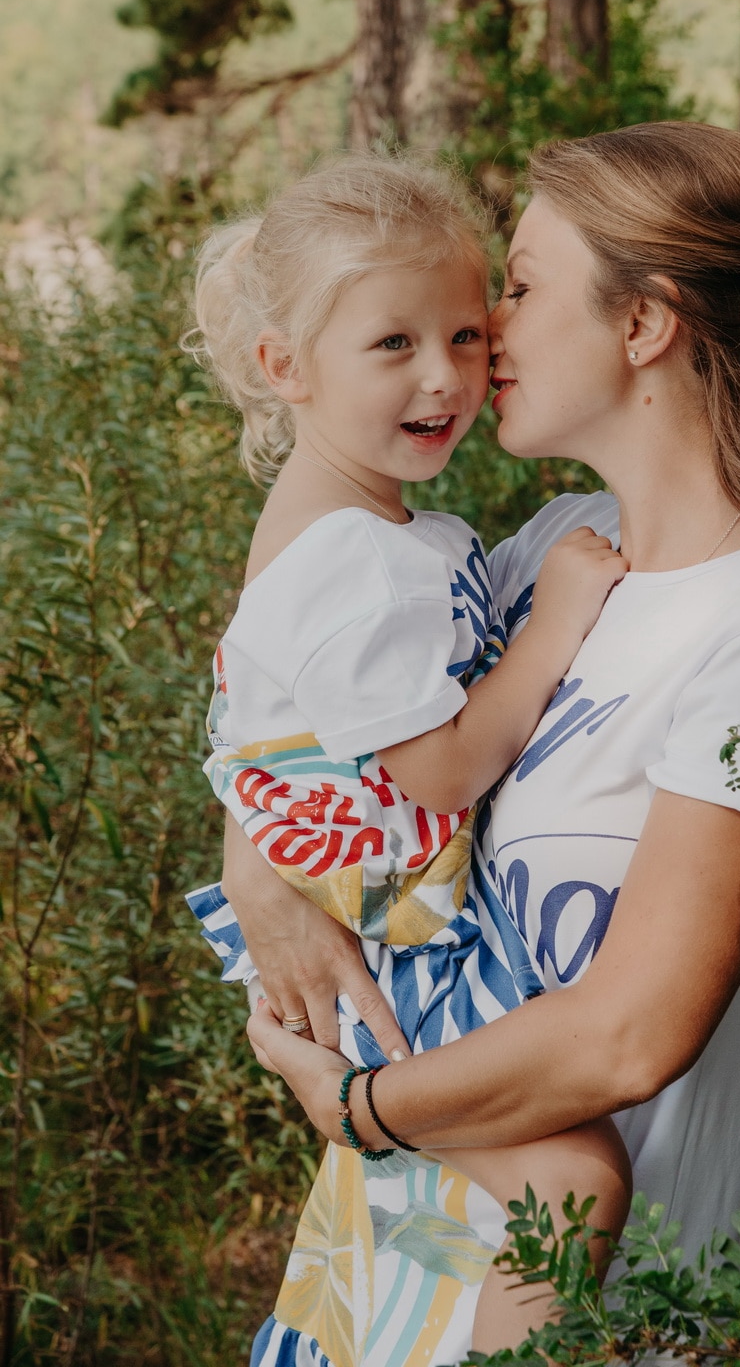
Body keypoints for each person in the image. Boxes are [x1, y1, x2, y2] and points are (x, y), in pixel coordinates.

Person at [229, 121, 740, 1367]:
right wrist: (258, 875)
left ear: (640, 325)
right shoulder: (559, 546)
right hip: (380, 1275)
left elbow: (626, 1035)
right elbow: (327, 717)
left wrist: (354, 1104)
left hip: (586, 1310)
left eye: (520, 289)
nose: (485, 329)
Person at [183, 155, 634, 1356]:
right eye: (392, 344)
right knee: (571, 1185)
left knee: (427, 1224)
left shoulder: (361, 523)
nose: (444, 375)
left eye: (464, 333)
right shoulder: (356, 561)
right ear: (285, 367)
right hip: (394, 951)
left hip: (391, 924)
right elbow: (435, 774)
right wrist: (553, 624)